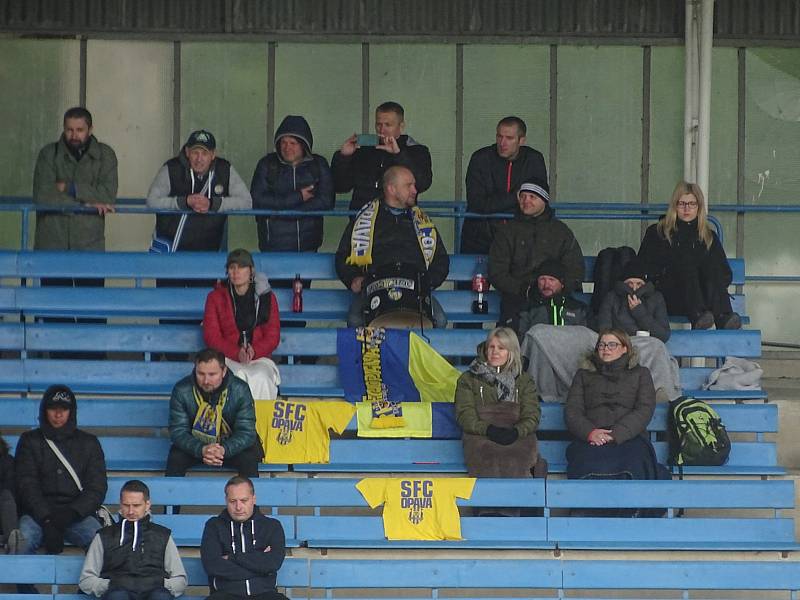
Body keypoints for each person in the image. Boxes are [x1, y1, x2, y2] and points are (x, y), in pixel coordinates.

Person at [335, 165, 450, 328]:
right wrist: (353, 278)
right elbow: (343, 256)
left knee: (440, 320)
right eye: (408, 185)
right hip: (375, 288)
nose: (415, 190)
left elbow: (441, 259)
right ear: (391, 189)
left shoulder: (422, 222)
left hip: (415, 290)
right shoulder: (364, 219)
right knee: (355, 320)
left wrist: (426, 282)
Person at [14, 385, 107, 555]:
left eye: (64, 409)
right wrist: (47, 518)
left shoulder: (89, 443)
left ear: (72, 412)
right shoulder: (29, 441)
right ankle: (25, 583)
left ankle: (93, 583)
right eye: (52, 409)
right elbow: (26, 485)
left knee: (100, 543)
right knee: (23, 540)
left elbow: (97, 487)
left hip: (76, 515)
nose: (58, 415)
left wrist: (70, 514)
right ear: (44, 410)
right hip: (36, 515)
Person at [638, 180, 741, 330]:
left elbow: (724, 273)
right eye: (682, 203)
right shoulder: (658, 232)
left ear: (699, 207)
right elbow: (644, 266)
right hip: (668, 296)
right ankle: (700, 315)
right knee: (687, 263)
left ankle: (723, 317)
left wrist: (706, 281)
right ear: (674, 205)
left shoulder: (708, 236)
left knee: (710, 267)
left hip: (704, 302)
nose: (687, 209)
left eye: (692, 204)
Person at [564, 329, 664, 482]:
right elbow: (573, 411)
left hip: (629, 438)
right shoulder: (583, 375)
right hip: (591, 439)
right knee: (586, 462)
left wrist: (616, 434)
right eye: (602, 345)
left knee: (634, 462)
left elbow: (644, 409)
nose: (605, 349)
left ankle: (630, 506)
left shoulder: (641, 374)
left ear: (625, 348)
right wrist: (591, 433)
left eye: (612, 345)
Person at [489, 180, 584, 333]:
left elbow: (575, 269)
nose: (526, 201)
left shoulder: (561, 231)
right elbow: (497, 272)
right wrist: (525, 289)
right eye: (523, 196)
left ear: (544, 200)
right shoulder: (507, 231)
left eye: (532, 197)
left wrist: (558, 288)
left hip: (558, 300)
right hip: (517, 299)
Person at [455, 327, 542, 480]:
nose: (495, 352)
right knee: (489, 457)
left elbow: (532, 416)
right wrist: (488, 429)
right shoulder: (468, 379)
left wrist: (517, 431)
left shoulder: (524, 380)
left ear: (511, 351)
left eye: (501, 348)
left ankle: (520, 502)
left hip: (517, 435)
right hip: (480, 435)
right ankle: (488, 503)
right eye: (491, 347)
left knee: (519, 458)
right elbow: (465, 415)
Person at [146, 129, 252, 253]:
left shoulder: (224, 169)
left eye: (204, 153)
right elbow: (152, 201)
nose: (199, 159)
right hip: (170, 249)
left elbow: (246, 202)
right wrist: (183, 202)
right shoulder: (171, 168)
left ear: (213, 155)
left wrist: (213, 204)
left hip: (208, 250)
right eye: (195, 153)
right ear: (187, 152)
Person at [79, 480, 187, 600]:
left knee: (160, 596)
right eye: (126, 505)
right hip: (117, 593)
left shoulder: (162, 535)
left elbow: (180, 580)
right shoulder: (104, 536)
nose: (131, 511)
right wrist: (111, 584)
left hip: (154, 592)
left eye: (136, 505)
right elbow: (86, 580)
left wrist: (158, 583)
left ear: (147, 505)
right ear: (120, 504)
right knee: (118, 596)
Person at [166, 349, 263, 478]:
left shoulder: (240, 389)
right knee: (176, 457)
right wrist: (202, 449)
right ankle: (171, 498)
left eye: (212, 374)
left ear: (224, 372)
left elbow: (246, 432)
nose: (206, 380)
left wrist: (223, 449)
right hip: (197, 447)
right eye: (200, 374)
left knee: (249, 458)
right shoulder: (182, 390)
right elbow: (178, 431)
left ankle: (246, 498)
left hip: (231, 446)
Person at [33, 106, 118, 252]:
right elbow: (42, 196)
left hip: (89, 242)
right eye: (69, 130)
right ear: (64, 129)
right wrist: (86, 205)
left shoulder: (105, 155)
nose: (74, 135)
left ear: (90, 130)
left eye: (79, 130)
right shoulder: (48, 154)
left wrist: (69, 188)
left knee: (89, 275)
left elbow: (107, 195)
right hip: (51, 242)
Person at [596, 258, 682, 402]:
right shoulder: (612, 297)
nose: (634, 288)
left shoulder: (656, 298)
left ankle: (661, 393)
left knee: (657, 347)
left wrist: (639, 312)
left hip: (648, 345)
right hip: (620, 346)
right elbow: (604, 329)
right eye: (630, 283)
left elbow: (663, 334)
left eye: (639, 284)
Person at [462, 116, 548, 255]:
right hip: (480, 238)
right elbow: (477, 203)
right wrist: (515, 197)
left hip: (521, 238)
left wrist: (495, 203)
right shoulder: (480, 158)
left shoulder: (533, 160)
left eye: (509, 138)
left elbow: (539, 202)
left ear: (521, 140)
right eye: (499, 136)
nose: (502, 143)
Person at [203, 249, 281, 400]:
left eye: (242, 267)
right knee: (236, 377)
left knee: (261, 377)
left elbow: (273, 336)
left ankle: (260, 422)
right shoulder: (215, 297)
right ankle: (237, 423)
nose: (236, 272)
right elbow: (211, 337)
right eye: (232, 267)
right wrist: (235, 352)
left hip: (259, 357)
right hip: (228, 357)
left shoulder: (267, 297)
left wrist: (255, 350)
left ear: (251, 271)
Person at [251, 115, 334, 255]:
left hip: (308, 244)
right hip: (273, 245)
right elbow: (257, 199)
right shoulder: (267, 164)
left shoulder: (318, 164)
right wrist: (298, 197)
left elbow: (327, 200)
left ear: (303, 145)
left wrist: (287, 212)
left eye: (293, 143)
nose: (287, 147)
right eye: (283, 142)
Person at [518, 260, 597, 403]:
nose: (546, 284)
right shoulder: (529, 307)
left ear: (562, 283)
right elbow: (522, 340)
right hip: (542, 366)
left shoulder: (579, 308)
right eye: (542, 279)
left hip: (572, 365)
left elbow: (588, 341)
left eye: (551, 280)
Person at [332, 101, 432, 211]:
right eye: (378, 124)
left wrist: (399, 155)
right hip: (363, 220)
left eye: (388, 125)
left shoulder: (416, 150)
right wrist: (344, 157)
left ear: (401, 126)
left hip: (400, 219)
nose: (382, 130)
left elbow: (423, 183)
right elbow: (340, 186)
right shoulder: (364, 149)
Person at [201, 476, 287, 600]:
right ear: (226, 500)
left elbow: (273, 563)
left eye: (244, 500)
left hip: (265, 595)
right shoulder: (214, 526)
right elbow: (213, 565)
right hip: (225, 595)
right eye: (232, 501)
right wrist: (260, 565)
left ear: (254, 499)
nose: (238, 507)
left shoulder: (272, 526)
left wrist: (231, 558)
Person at [0, 432, 21, 554]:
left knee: (6, 496)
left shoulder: (7, 461)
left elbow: (11, 490)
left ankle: (12, 542)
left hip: (3, 516)